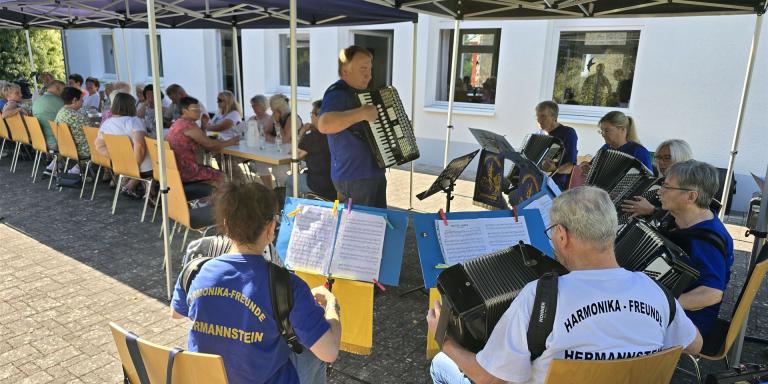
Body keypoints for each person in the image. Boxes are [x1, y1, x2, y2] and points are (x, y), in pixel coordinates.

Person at [428, 186, 703, 384]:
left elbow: (491, 380)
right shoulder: (656, 292)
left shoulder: (540, 298)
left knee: (442, 365)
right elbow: (695, 345)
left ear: (562, 236)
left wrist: (446, 342)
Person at [171, 181, 341, 384]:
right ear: (270, 228)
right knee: (313, 347)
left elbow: (176, 313)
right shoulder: (288, 286)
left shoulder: (194, 271)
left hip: (209, 379)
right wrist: (332, 307)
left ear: (225, 225)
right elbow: (329, 352)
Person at [657, 160, 734, 336]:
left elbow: (712, 294)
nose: (660, 191)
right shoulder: (677, 220)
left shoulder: (707, 240)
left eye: (667, 187)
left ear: (691, 197)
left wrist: (659, 304)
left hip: (690, 320)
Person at [318, 45, 385, 208]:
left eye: (370, 69)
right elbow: (324, 124)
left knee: (378, 228)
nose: (368, 75)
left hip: (373, 173)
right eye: (363, 68)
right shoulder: (337, 93)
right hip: (353, 176)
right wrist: (361, 113)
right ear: (345, 71)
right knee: (360, 230)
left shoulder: (362, 94)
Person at [166, 96, 239, 184]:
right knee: (221, 175)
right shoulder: (188, 125)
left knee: (211, 168)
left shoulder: (178, 123)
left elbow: (202, 140)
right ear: (185, 111)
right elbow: (210, 145)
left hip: (174, 169)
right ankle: (220, 197)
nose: (199, 111)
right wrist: (231, 142)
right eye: (195, 109)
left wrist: (203, 127)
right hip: (186, 171)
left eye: (199, 108)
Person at [95, 93, 152, 199]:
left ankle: (131, 186)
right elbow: (140, 145)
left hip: (120, 166)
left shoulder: (106, 123)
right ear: (131, 106)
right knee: (164, 162)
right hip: (144, 168)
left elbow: (99, 146)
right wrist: (133, 165)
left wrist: (118, 158)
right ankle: (151, 195)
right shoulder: (134, 122)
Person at [621, 139, 693, 219]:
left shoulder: (690, 186)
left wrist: (652, 210)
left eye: (667, 158)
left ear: (681, 158)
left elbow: (686, 217)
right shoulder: (658, 182)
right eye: (659, 157)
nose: (661, 162)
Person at [286, 100, 336, 200]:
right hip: (336, 185)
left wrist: (302, 132)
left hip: (318, 185)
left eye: (311, 114)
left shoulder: (312, 137)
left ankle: (289, 211)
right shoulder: (335, 133)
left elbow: (295, 155)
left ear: (315, 116)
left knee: (290, 180)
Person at [580, 111, 653, 173]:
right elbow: (592, 168)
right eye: (601, 131)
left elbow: (648, 181)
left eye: (607, 130)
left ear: (622, 130)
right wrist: (586, 167)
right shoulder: (605, 148)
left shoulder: (638, 152)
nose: (603, 134)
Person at [535, 101, 578, 191]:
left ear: (554, 117)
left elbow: (570, 167)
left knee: (515, 197)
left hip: (555, 185)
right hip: (538, 181)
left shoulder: (568, 133)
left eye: (543, 116)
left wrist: (554, 170)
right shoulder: (540, 135)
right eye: (537, 116)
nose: (539, 120)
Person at [55, 86, 91, 172]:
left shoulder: (61, 112)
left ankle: (75, 171)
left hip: (65, 147)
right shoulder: (78, 116)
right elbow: (91, 132)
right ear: (74, 100)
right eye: (81, 99)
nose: (83, 102)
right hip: (82, 149)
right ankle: (74, 172)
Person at [32, 80, 66, 150]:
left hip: (39, 139)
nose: (64, 93)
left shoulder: (37, 100)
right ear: (57, 89)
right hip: (55, 141)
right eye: (63, 90)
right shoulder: (59, 101)